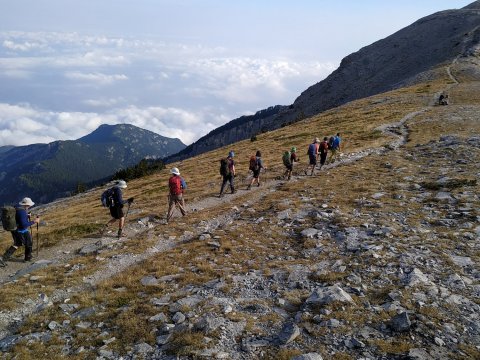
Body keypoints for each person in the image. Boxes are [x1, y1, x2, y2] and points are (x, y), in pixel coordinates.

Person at [0, 197, 40, 266]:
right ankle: (27, 258)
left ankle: (4, 258)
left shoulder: (17, 208)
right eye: (29, 205)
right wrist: (35, 221)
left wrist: (27, 216)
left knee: (19, 243)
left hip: (15, 229)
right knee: (27, 243)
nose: (30, 206)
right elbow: (24, 225)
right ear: (27, 205)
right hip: (21, 231)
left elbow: (18, 218)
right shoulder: (22, 211)